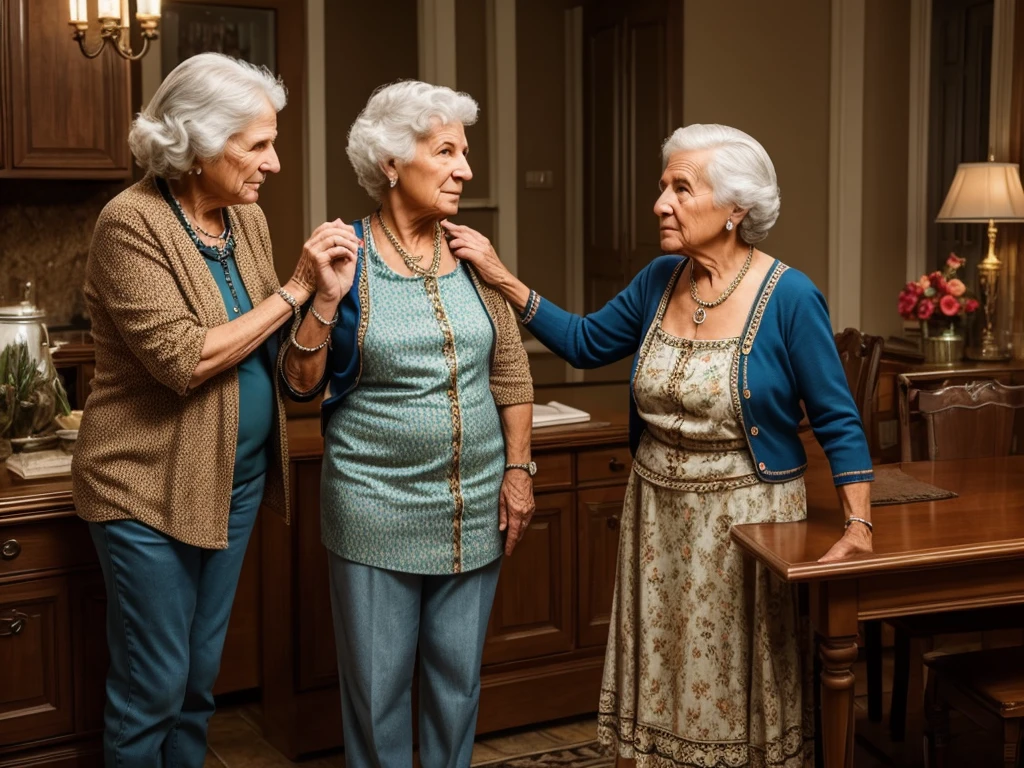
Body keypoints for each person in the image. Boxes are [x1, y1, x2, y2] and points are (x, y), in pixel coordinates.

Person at [446, 123, 875, 767]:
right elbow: (587, 342)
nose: (660, 203)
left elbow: (839, 421)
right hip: (655, 517)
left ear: (736, 209)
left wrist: (859, 524)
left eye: (681, 187)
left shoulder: (789, 296)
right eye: (661, 186)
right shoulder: (659, 279)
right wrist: (502, 277)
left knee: (730, 677)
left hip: (746, 528)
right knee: (663, 670)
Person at [72, 53, 357, 768]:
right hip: (145, 489)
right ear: (199, 142)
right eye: (258, 143)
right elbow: (184, 360)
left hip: (231, 485)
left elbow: (291, 375)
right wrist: (293, 292)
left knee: (198, 684)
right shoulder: (129, 222)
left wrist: (321, 302)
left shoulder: (244, 222)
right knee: (154, 688)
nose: (276, 162)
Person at [279, 80, 535, 767]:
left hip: (473, 505)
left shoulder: (473, 253)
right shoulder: (345, 254)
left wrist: (517, 470)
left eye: (465, 151)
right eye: (446, 150)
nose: (465, 169)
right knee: (378, 692)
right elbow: (300, 384)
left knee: (457, 686)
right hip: (375, 507)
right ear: (393, 161)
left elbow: (510, 372)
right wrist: (324, 300)